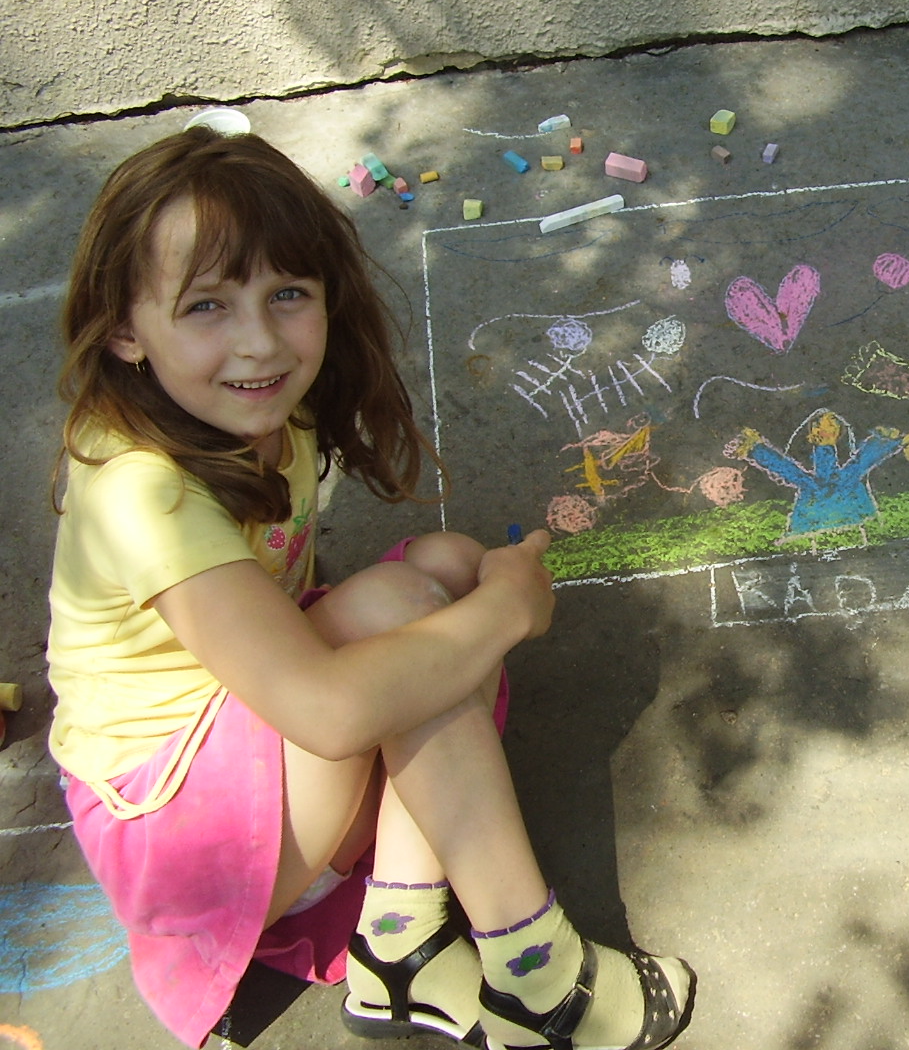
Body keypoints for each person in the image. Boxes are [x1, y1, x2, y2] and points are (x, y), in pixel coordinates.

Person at [45, 125, 695, 1050]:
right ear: (123, 330)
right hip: (174, 841)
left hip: (238, 745)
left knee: (445, 566)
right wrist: (504, 613)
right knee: (419, 609)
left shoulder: (260, 409)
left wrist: (471, 606)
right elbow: (328, 712)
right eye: (206, 307)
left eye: (287, 294)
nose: (259, 341)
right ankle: (538, 974)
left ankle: (400, 949)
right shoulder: (140, 492)